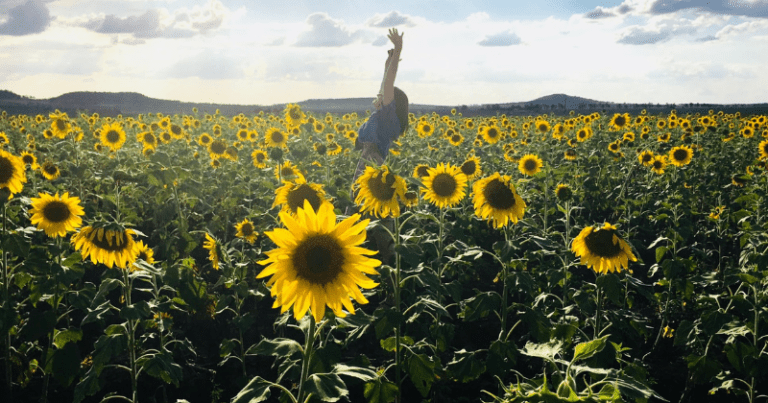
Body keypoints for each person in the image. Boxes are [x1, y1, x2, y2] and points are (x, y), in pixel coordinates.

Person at [347, 28, 409, 265]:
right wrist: (387, 64)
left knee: (375, 217)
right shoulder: (383, 116)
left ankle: (390, 265)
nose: (379, 95)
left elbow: (389, 85)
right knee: (360, 216)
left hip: (372, 165)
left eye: (384, 95)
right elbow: (385, 86)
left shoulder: (387, 118)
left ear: (392, 103)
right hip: (366, 165)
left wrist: (397, 56)